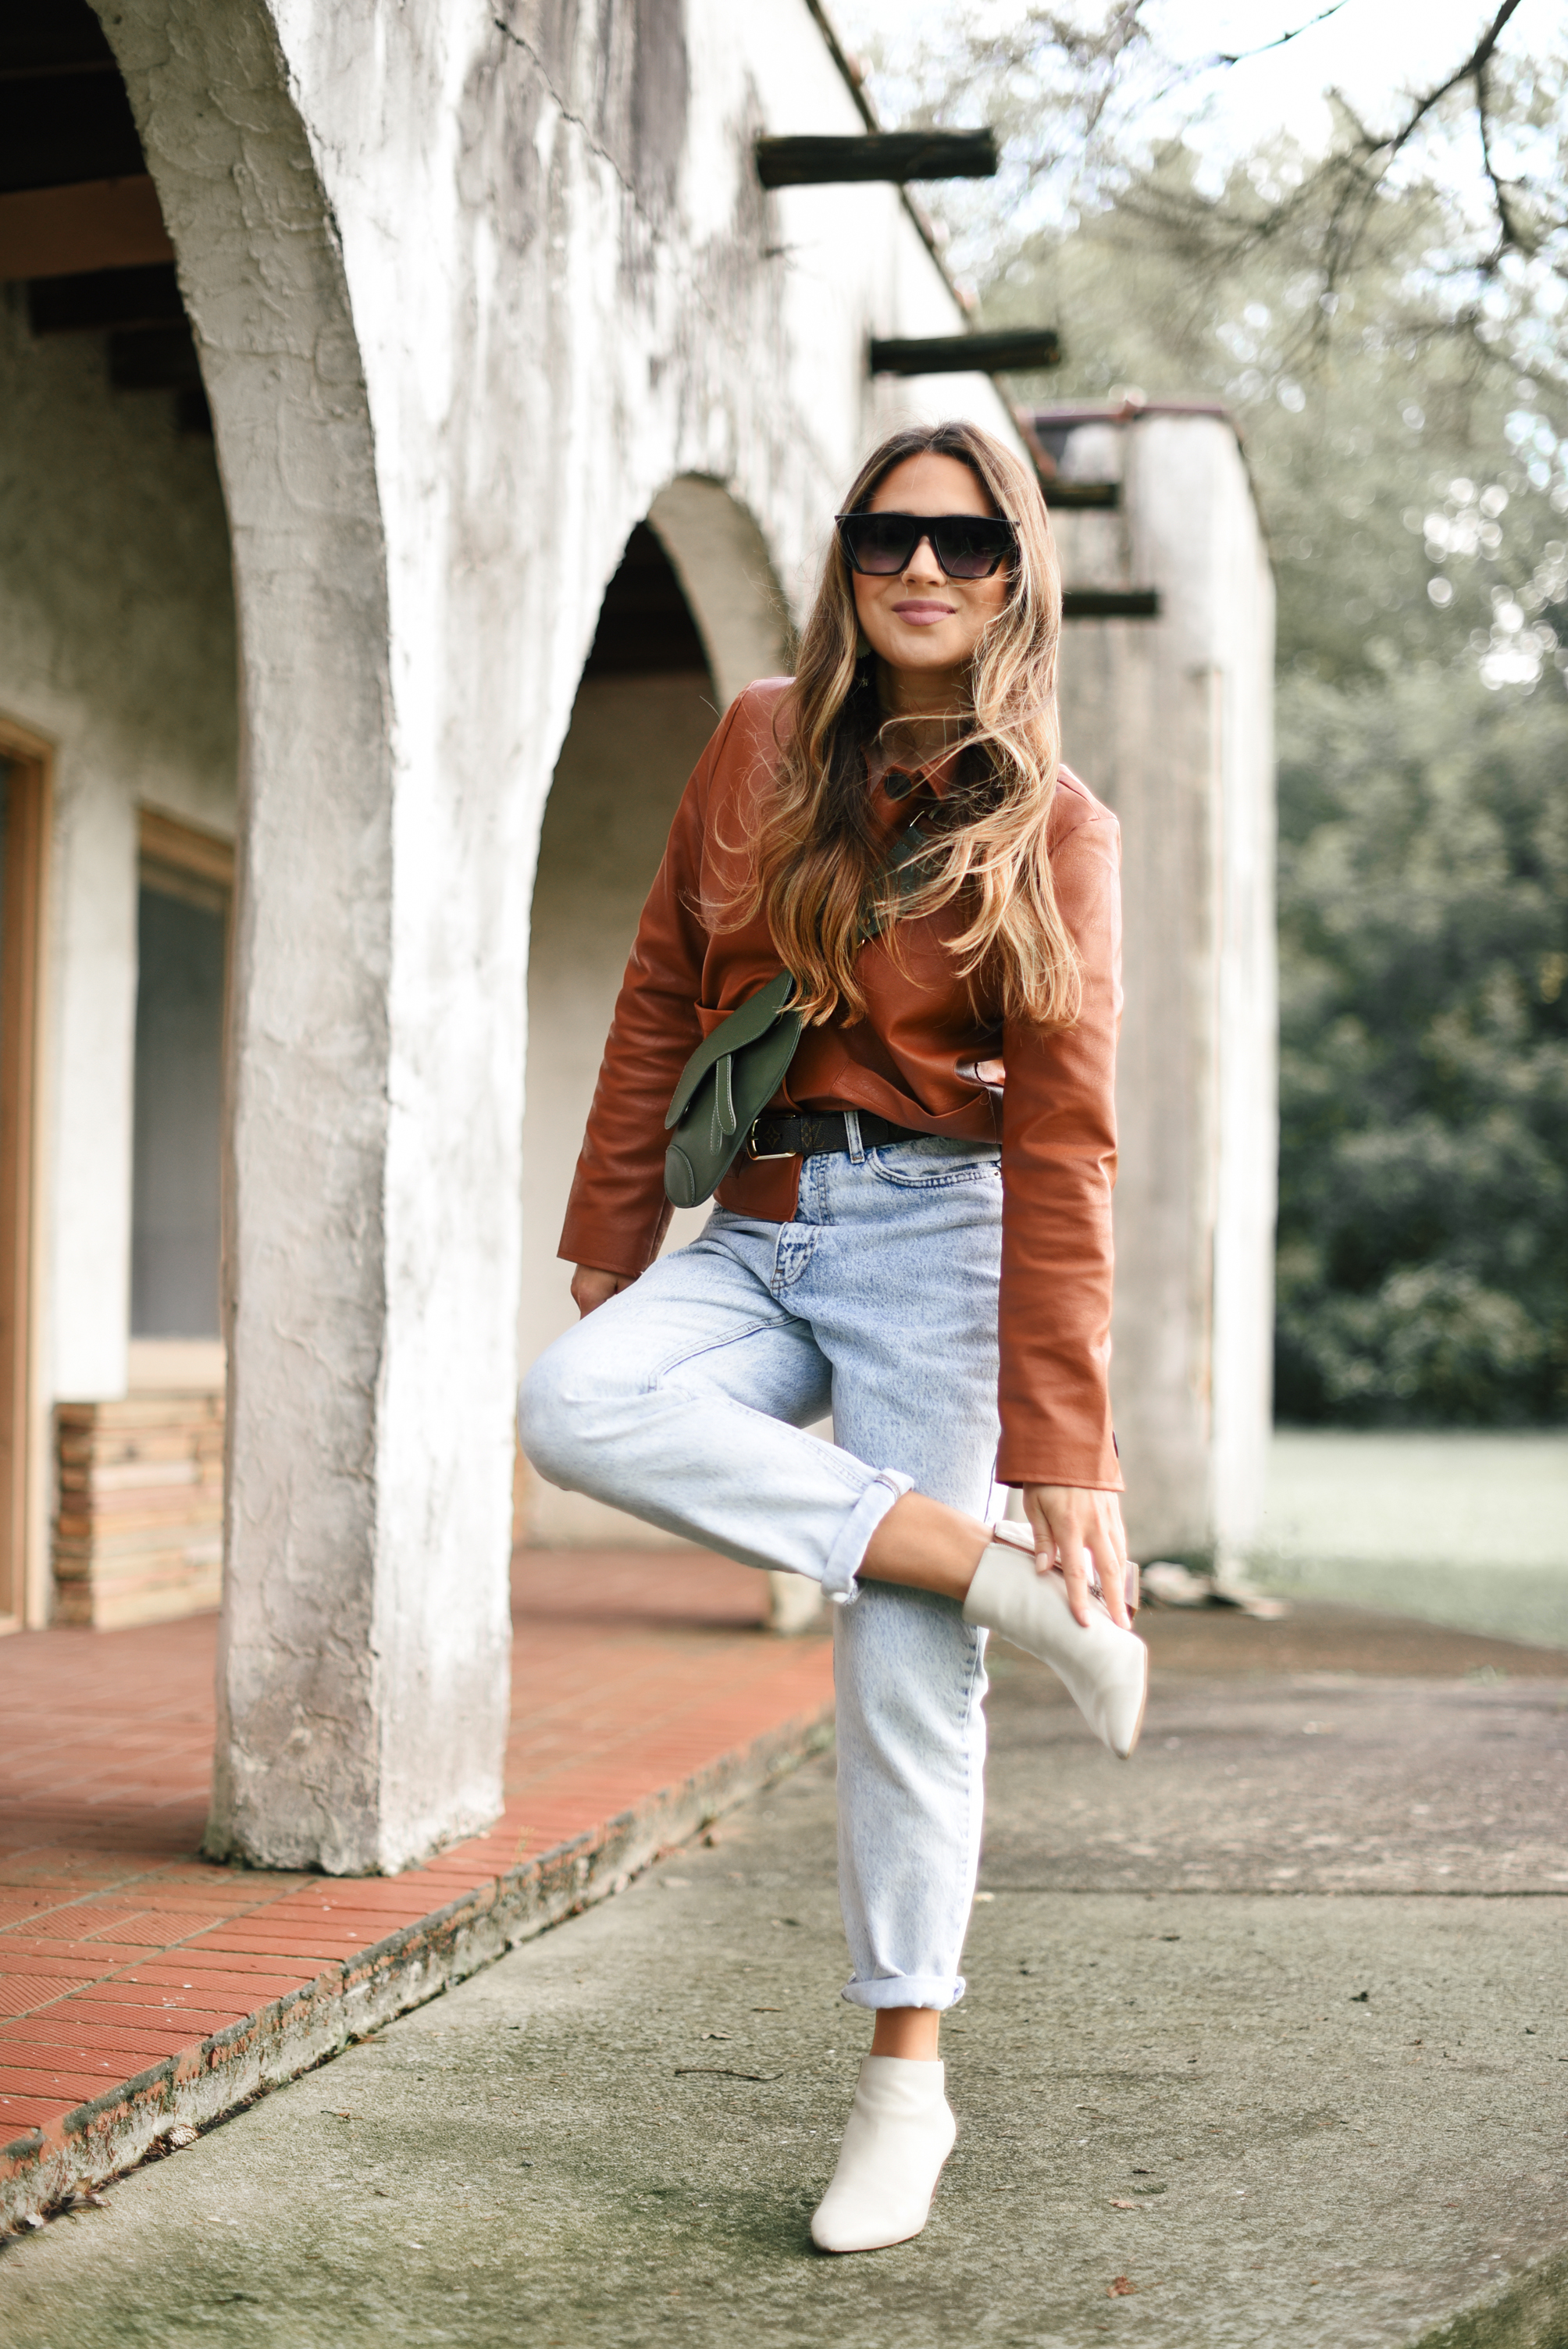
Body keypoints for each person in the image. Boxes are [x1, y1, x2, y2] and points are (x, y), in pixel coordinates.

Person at [520, 419, 1147, 2255]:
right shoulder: (754, 744)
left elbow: (1065, 1132)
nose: (925, 570)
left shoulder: (1061, 827)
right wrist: (612, 1225)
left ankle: (903, 2085)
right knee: (577, 1403)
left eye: (965, 543)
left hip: (943, 1243)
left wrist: (1064, 1446)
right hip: (760, 1221)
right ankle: (986, 1574)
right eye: (890, 535)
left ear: (1015, 572)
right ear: (848, 559)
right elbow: (657, 979)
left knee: (893, 1672)